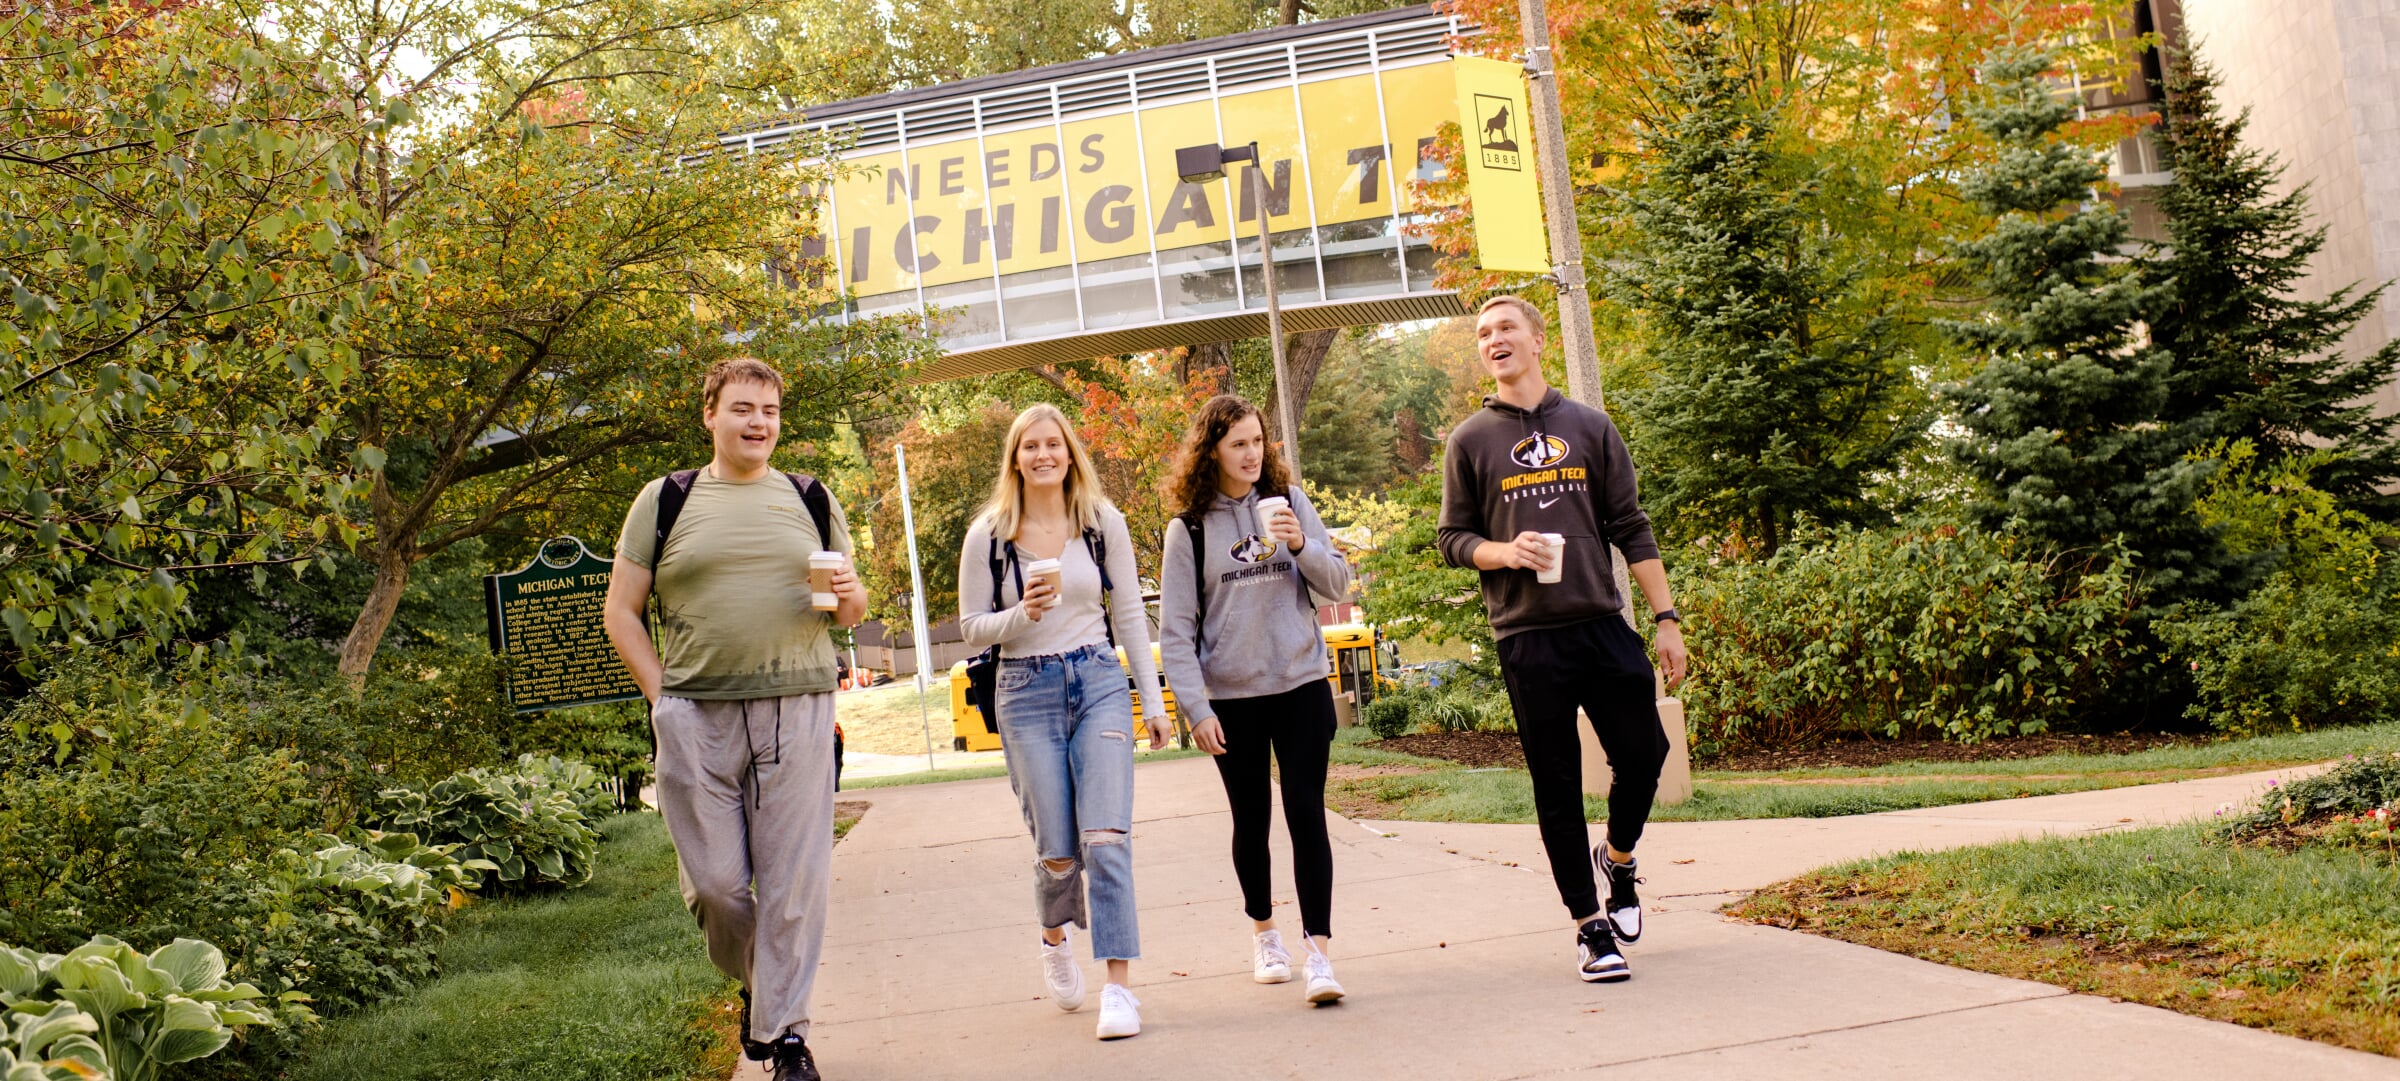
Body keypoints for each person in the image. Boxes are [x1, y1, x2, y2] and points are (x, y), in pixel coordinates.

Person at [602, 357, 866, 1081]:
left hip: (798, 706)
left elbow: (850, 610)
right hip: (697, 714)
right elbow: (620, 613)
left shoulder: (810, 497)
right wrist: (664, 700)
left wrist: (851, 591)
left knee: (791, 882)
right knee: (717, 886)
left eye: (771, 411)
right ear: (710, 415)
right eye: (743, 408)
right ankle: (762, 989)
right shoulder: (665, 500)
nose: (758, 422)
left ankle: (786, 1037)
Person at [1435, 296, 1690, 984]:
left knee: (1646, 753)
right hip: (1527, 636)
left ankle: (1621, 855)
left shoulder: (1589, 426)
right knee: (1556, 783)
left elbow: (1631, 525)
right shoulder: (1470, 441)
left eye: (1506, 327)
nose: (1494, 339)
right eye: (1484, 333)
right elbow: (1452, 540)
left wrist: (1666, 620)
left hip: (1601, 623)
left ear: (1538, 339)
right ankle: (1589, 926)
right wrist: (1501, 551)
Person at [957, 403, 1169, 1040]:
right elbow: (971, 630)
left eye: (1055, 444)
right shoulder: (989, 535)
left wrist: (1153, 702)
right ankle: (1054, 936)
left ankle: (1119, 990)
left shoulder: (1102, 523)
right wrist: (1022, 613)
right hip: (1025, 690)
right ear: (1015, 460)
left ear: (1070, 453)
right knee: (1057, 851)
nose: (1044, 455)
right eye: (1031, 447)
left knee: (1106, 839)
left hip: (1099, 680)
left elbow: (1129, 614)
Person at [1157, 395, 1356, 1005]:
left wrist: (1301, 547)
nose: (1251, 454)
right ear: (1211, 450)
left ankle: (1318, 952)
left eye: (1258, 442)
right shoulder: (1188, 529)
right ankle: (1265, 933)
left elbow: (1337, 584)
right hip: (1231, 699)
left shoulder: (1292, 504)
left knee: (1305, 812)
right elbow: (1175, 630)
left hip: (1299, 685)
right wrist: (1196, 709)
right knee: (1252, 819)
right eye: (1238, 443)